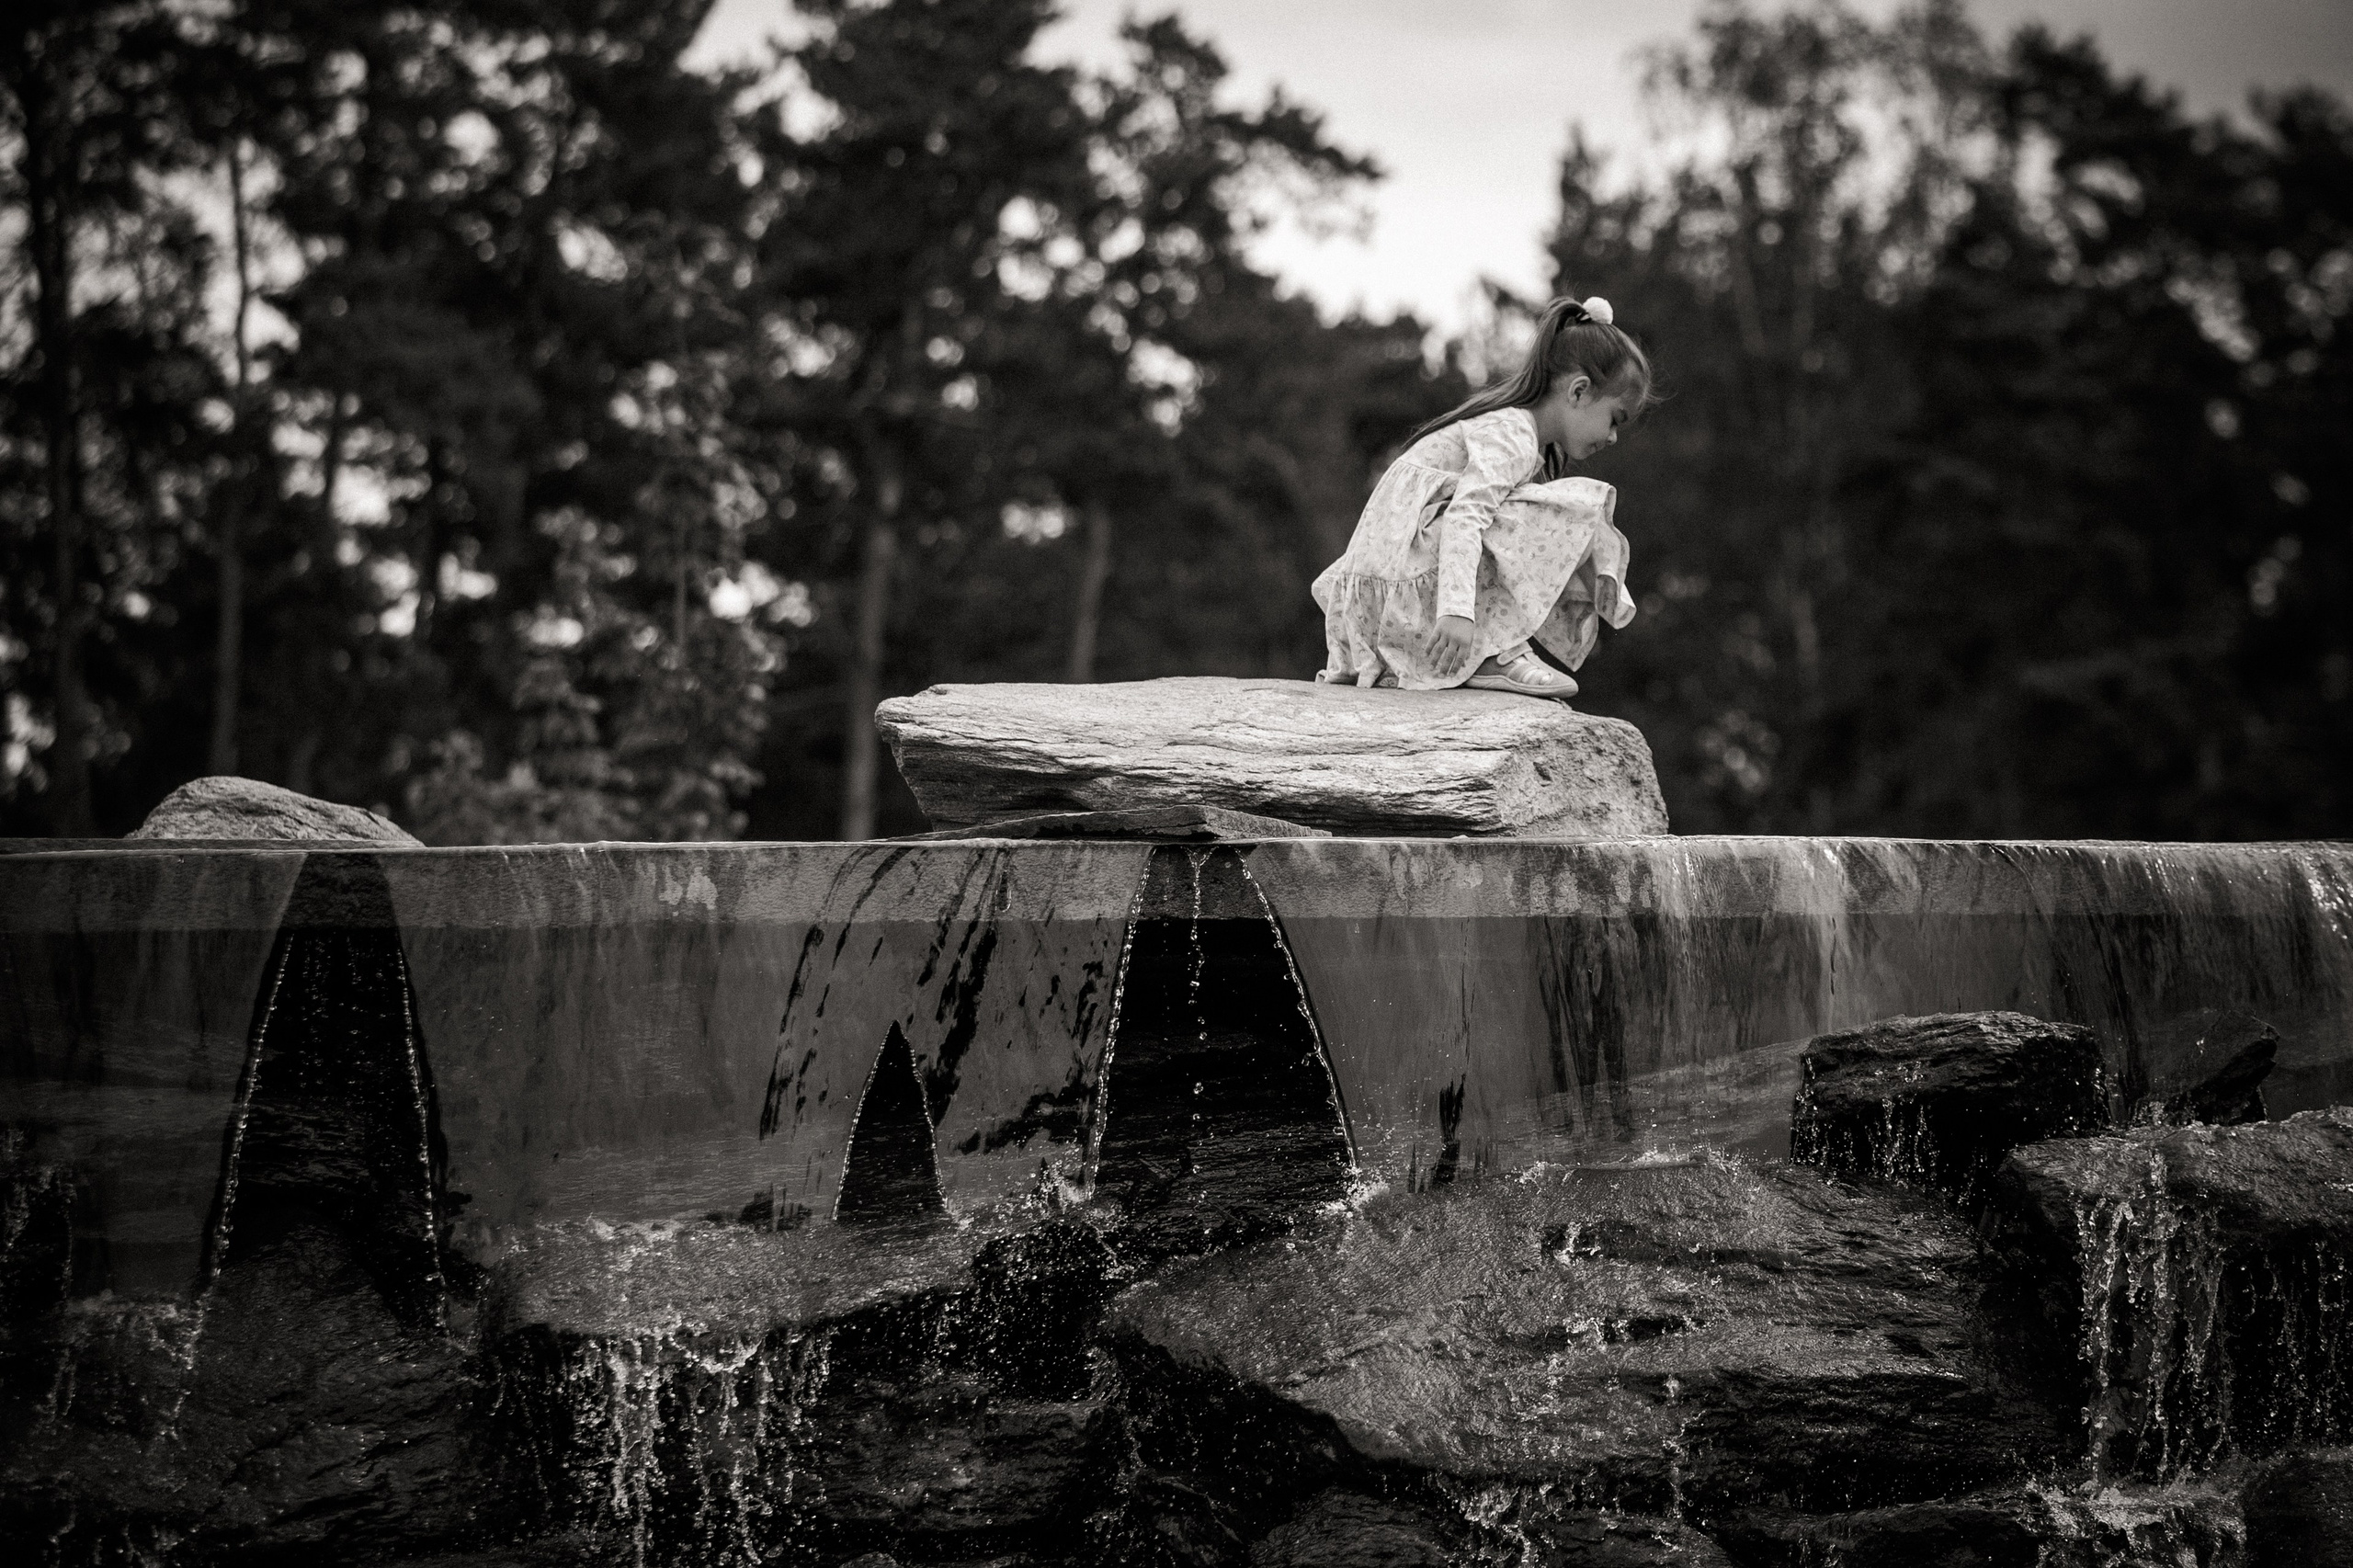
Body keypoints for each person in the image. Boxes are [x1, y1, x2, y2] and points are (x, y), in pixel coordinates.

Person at [1313, 295, 1653, 699]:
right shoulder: (1513, 434)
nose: (1613, 437)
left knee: (1542, 509)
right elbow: (1465, 516)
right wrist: (1457, 610)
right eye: (1615, 419)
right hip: (1409, 577)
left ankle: (1484, 647)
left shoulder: (1519, 436)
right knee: (1576, 510)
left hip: (1391, 587)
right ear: (1579, 391)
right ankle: (1492, 652)